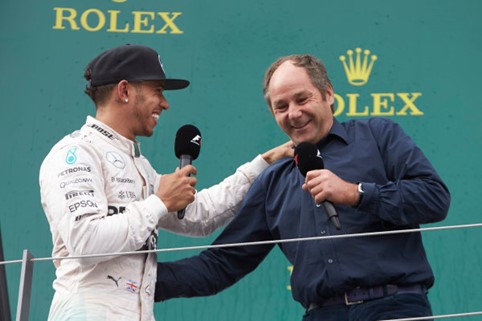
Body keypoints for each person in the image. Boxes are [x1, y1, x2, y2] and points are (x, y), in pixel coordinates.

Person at [154, 54, 451, 321]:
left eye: (302, 99)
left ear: (328, 94)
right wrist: (138, 279)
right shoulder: (273, 180)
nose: (293, 113)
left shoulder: (378, 136)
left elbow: (435, 198)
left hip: (393, 306)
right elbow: (221, 264)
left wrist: (356, 193)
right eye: (281, 106)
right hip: (322, 313)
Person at [39, 44, 293, 321]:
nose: (165, 103)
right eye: (157, 90)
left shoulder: (140, 166)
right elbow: (86, 243)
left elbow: (200, 217)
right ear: (124, 91)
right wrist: (158, 203)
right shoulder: (75, 154)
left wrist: (263, 163)